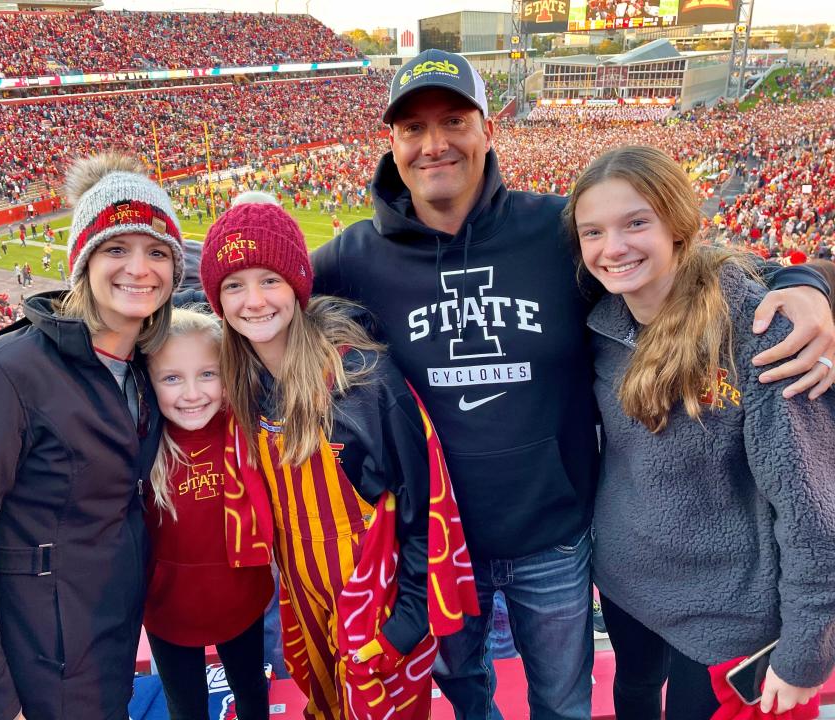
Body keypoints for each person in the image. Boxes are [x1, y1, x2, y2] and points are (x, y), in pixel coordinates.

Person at [310, 48, 835, 720]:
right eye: (413, 128)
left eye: (453, 120)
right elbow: (252, 291)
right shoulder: (354, 256)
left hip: (554, 536)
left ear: (487, 129)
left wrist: (805, 285)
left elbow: (704, 266)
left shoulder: (560, 230)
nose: (434, 143)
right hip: (438, 542)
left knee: (563, 704)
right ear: (392, 141)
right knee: (468, 697)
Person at [566, 145, 835, 720]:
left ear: (679, 226)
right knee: (634, 694)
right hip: (625, 581)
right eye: (593, 232)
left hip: (726, 610)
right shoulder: (599, 320)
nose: (612, 248)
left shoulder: (760, 332)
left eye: (636, 222)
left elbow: (811, 507)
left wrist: (806, 649)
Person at [0, 153, 185, 720]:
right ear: (82, 260)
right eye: (117, 248)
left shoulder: (142, 365)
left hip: (106, 647)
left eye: (157, 251)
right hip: (36, 674)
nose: (140, 268)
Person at [199, 195, 475, 720]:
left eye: (269, 280)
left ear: (299, 286)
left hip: (380, 617)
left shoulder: (360, 382)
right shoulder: (241, 385)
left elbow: (425, 514)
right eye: (234, 285)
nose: (253, 300)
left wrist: (401, 630)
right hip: (308, 614)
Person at [143, 305, 273, 720]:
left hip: (241, 595)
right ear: (149, 381)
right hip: (167, 608)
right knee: (186, 708)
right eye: (171, 378)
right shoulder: (140, 442)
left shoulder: (248, 427)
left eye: (207, 374)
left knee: (252, 690)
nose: (193, 393)